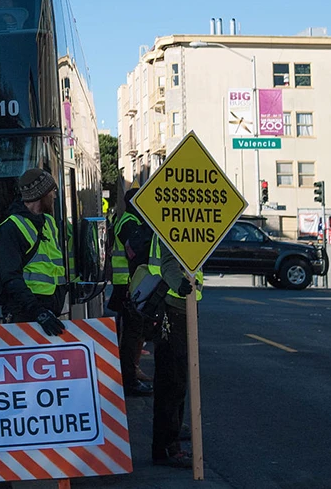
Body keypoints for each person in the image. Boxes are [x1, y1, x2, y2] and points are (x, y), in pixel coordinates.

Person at [148, 233, 202, 469]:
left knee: (175, 380)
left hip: (180, 308)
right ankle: (168, 446)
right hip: (172, 308)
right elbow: (168, 262)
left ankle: (170, 437)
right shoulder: (171, 224)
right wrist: (179, 285)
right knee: (172, 381)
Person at [0, 168, 67, 337]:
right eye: (52, 191)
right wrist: (38, 312)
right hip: (26, 314)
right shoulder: (11, 227)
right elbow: (11, 278)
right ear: (41, 194)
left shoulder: (49, 222)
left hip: (50, 312)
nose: (55, 196)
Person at [108, 188, 154, 396]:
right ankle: (129, 379)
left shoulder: (128, 220)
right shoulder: (129, 223)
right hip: (127, 283)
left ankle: (131, 373)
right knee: (130, 334)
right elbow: (135, 253)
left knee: (133, 333)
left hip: (128, 283)